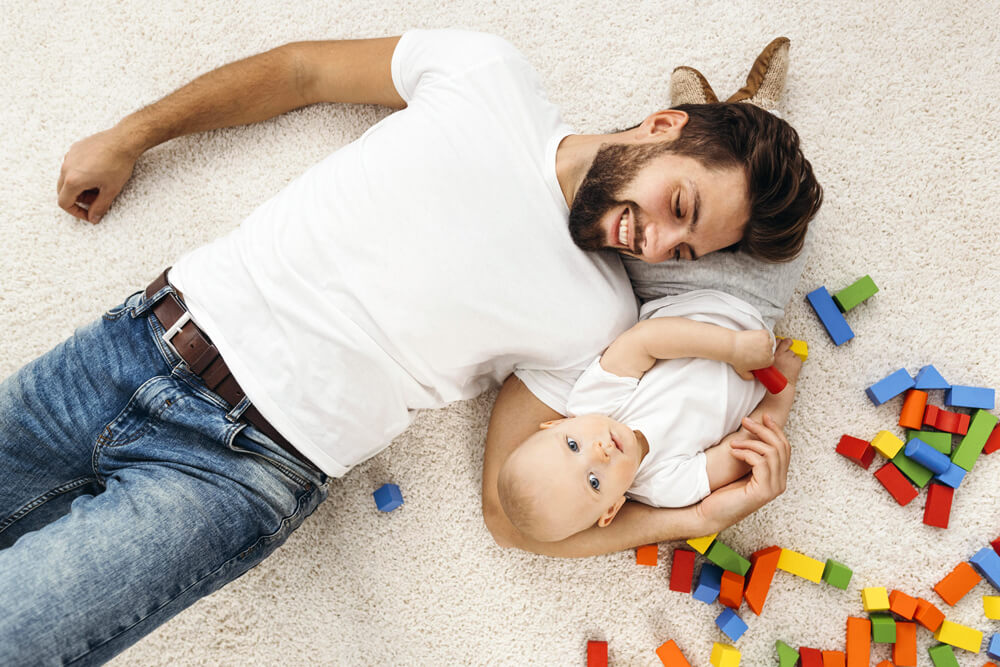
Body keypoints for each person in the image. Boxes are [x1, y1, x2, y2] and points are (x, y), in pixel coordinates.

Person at [2, 30, 821, 663]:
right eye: (676, 202)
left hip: (241, 468)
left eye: (681, 252)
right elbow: (301, 74)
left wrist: (704, 513)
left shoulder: (601, 322)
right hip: (135, 341)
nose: (651, 240)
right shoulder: (488, 77)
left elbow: (514, 516)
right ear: (662, 124)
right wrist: (133, 134)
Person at [495, 289, 804, 544]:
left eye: (573, 445)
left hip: (699, 295)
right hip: (762, 332)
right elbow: (746, 447)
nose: (599, 453)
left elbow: (646, 341)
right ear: (613, 509)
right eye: (593, 481)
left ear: (558, 423)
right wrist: (783, 388)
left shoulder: (592, 401)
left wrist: (732, 347)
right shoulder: (665, 487)